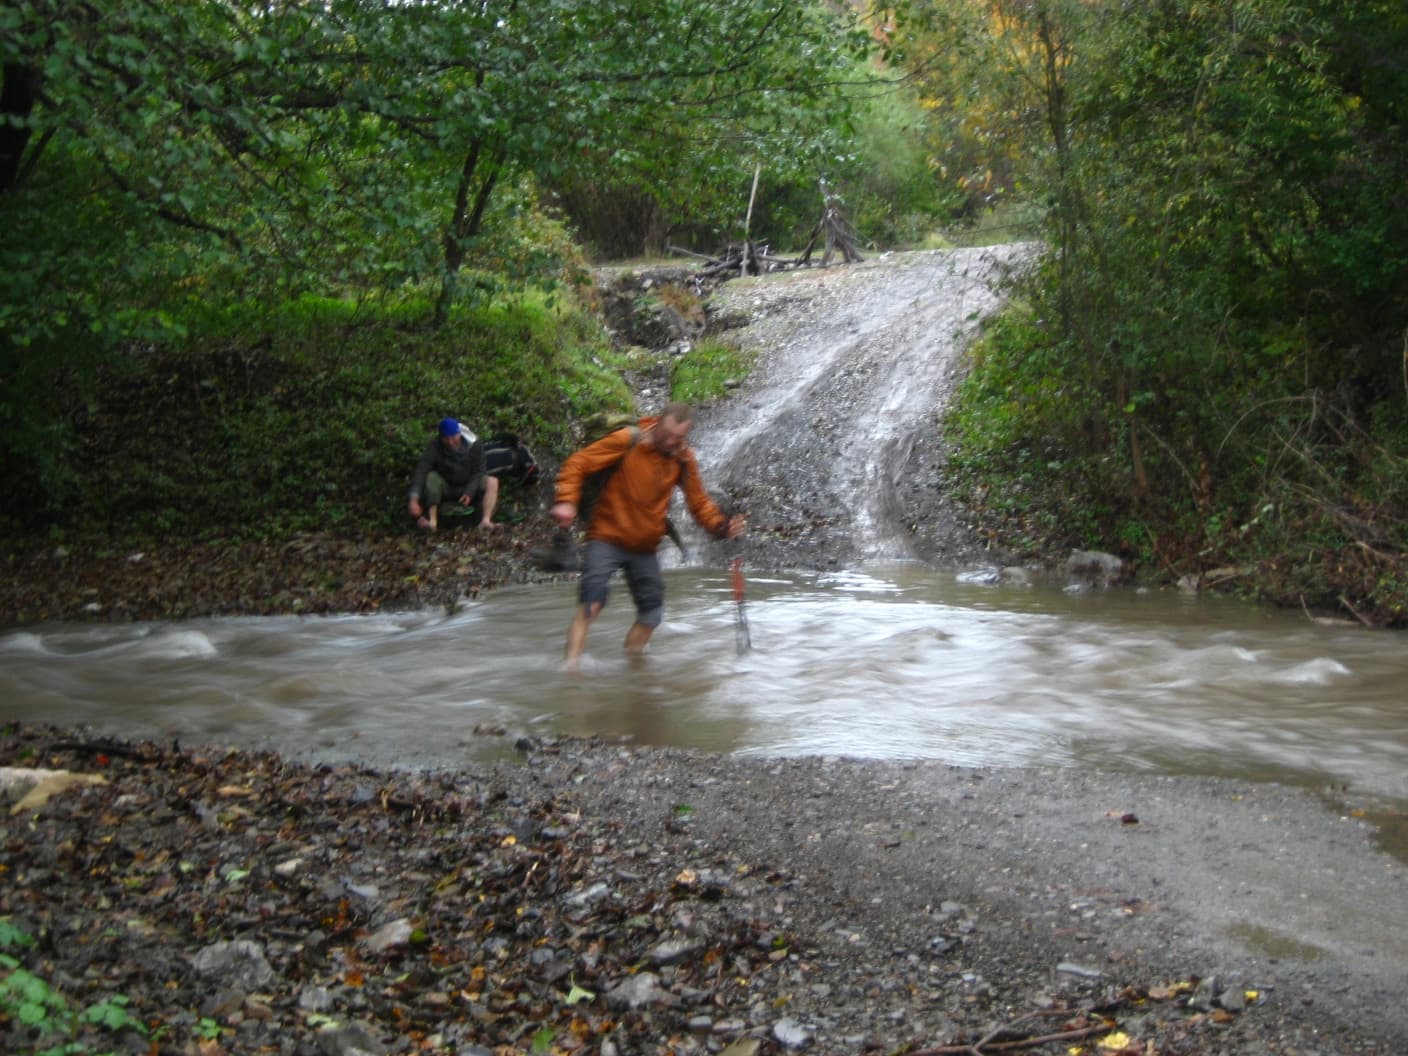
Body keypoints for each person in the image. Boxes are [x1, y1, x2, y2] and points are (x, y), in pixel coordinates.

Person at [550, 402, 745, 665]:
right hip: (606, 535)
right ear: (658, 422)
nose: (670, 442)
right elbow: (579, 463)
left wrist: (722, 526)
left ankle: (635, 672)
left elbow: (699, 504)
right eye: (667, 434)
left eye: (678, 438)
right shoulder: (628, 440)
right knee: (591, 603)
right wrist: (566, 500)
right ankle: (570, 671)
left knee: (651, 615)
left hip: (644, 546)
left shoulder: (683, 459)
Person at [407, 417, 499, 531]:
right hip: (447, 485)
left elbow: (479, 471)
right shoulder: (435, 446)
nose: (450, 442)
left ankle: (486, 520)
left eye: (453, 437)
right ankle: (432, 522)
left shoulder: (474, 444)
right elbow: (422, 470)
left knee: (492, 482)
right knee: (431, 477)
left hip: (468, 484)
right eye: (446, 439)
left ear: (459, 434)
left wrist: (469, 491)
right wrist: (414, 499)